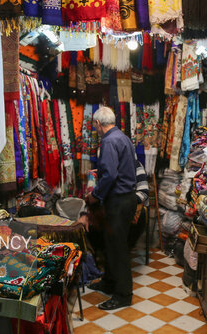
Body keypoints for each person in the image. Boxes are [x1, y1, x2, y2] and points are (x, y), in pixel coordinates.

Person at [80, 106, 138, 310]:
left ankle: (123, 295)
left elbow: (111, 175)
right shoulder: (122, 137)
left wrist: (95, 196)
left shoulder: (108, 141)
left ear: (98, 124)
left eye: (94, 125)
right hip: (126, 198)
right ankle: (109, 282)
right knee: (111, 243)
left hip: (119, 200)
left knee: (117, 248)